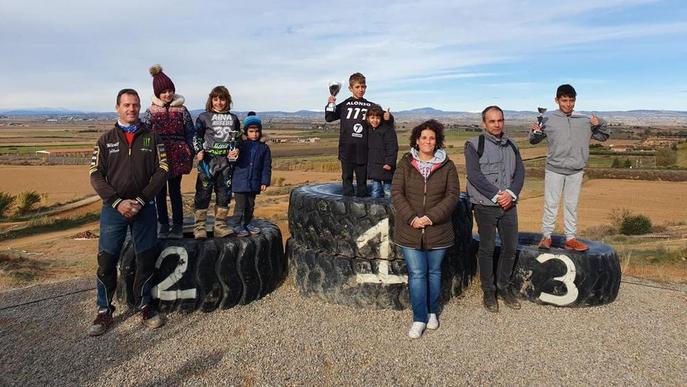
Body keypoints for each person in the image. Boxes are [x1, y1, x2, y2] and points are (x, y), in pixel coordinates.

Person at [88, 88, 167, 336]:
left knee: (145, 258)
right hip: (113, 209)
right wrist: (117, 202)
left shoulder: (152, 138)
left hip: (144, 208)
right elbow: (95, 175)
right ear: (117, 107)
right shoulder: (105, 139)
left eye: (135, 105)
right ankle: (104, 310)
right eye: (126, 105)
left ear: (139, 106)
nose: (131, 109)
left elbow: (162, 170)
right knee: (107, 260)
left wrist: (142, 200)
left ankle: (145, 305)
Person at [391, 119, 459, 339]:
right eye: (424, 138)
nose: (428, 141)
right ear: (417, 141)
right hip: (410, 229)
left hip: (437, 229)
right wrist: (412, 218)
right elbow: (397, 193)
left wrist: (430, 217)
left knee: (434, 272)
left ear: (437, 141)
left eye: (432, 138)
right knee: (417, 274)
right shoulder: (405, 163)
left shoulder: (448, 165)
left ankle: (432, 312)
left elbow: (452, 196)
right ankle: (419, 318)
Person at [530, 84, 610, 252]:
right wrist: (534, 133)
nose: (568, 104)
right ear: (557, 100)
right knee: (550, 204)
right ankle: (546, 237)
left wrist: (599, 123)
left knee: (571, 206)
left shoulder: (584, 121)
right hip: (554, 169)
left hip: (576, 170)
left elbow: (603, 136)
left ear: (575, 101)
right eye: (564, 100)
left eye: (571, 100)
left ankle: (571, 239)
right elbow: (534, 140)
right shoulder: (547, 118)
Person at [465, 106, 524, 313]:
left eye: (500, 120)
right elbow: (474, 175)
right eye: (492, 121)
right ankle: (488, 291)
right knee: (487, 249)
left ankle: (503, 287)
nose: (496, 124)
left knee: (510, 248)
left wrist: (511, 194)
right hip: (485, 206)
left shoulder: (512, 145)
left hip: (509, 205)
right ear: (484, 123)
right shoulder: (474, 144)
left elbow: (520, 173)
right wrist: (497, 195)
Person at [141, 65, 195, 239]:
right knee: (159, 192)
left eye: (170, 90)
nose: (167, 94)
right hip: (158, 155)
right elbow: (145, 133)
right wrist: (146, 152)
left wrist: (190, 149)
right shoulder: (151, 112)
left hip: (178, 155)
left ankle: (178, 225)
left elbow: (190, 132)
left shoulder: (182, 110)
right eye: (163, 91)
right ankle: (163, 224)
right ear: (157, 93)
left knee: (175, 191)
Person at [325, 72, 390, 197]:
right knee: (347, 179)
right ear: (350, 88)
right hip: (346, 149)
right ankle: (347, 209)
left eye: (363, 87)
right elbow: (329, 117)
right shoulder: (344, 105)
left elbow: (382, 120)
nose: (361, 89)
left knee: (362, 182)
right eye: (357, 87)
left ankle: (362, 209)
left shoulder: (370, 106)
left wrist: (388, 117)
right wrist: (330, 104)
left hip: (364, 150)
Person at [192, 86, 241, 239]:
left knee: (224, 194)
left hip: (226, 162)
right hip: (208, 161)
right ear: (211, 100)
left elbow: (237, 138)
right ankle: (199, 227)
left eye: (222, 99)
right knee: (203, 193)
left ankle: (220, 225)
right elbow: (196, 136)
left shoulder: (233, 118)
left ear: (227, 100)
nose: (219, 102)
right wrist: (198, 150)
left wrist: (236, 149)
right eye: (215, 99)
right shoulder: (203, 117)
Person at [231, 112, 272, 237]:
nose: (254, 134)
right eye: (251, 131)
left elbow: (266, 166)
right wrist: (233, 154)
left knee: (250, 205)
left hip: (254, 182)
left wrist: (264, 181)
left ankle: (247, 223)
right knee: (240, 206)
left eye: (257, 131)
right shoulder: (240, 145)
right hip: (239, 181)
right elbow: (232, 161)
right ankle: (237, 225)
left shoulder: (264, 148)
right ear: (246, 132)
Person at [366, 105, 398, 198]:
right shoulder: (369, 130)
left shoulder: (387, 130)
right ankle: (375, 210)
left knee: (387, 190)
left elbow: (392, 148)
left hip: (386, 166)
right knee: (375, 190)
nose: (375, 120)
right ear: (368, 118)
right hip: (374, 166)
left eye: (377, 118)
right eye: (372, 118)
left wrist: (389, 163)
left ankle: (390, 210)